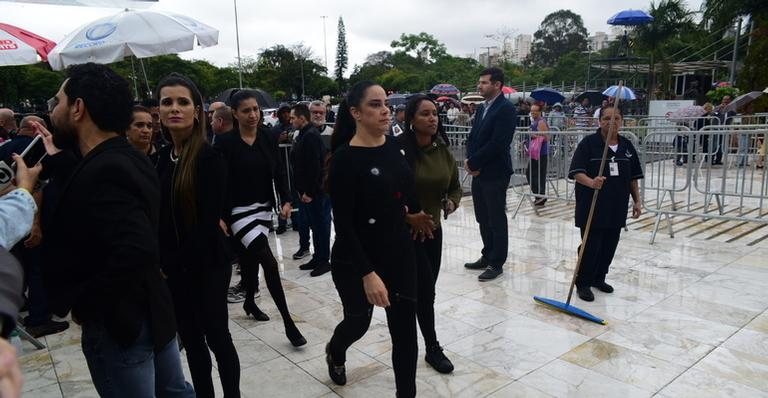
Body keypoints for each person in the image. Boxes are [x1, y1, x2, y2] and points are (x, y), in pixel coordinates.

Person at [37, 63, 194, 397]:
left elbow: (134, 250)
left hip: (123, 325)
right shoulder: (127, 158)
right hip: (153, 313)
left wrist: (86, 304)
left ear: (78, 108)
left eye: (59, 101)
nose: (54, 110)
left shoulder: (107, 168)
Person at [325, 81, 433, 397]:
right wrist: (367, 274)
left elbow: (402, 196)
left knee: (405, 335)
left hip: (398, 254)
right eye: (374, 104)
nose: (385, 110)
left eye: (385, 103)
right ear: (356, 113)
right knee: (358, 321)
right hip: (355, 259)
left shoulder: (396, 148)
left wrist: (412, 215)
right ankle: (336, 348)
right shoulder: (345, 159)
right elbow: (343, 223)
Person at [154, 73, 241, 398]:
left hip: (206, 264)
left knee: (217, 337)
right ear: (159, 111)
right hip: (174, 269)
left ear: (197, 110)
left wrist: (171, 264)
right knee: (191, 342)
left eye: (183, 102)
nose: (174, 108)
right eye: (167, 102)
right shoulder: (162, 159)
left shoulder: (209, 158)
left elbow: (206, 225)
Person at [214, 90, 307, 347]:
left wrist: (286, 200)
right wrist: (219, 216)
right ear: (235, 113)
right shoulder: (225, 143)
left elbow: (278, 171)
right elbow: (219, 183)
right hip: (238, 212)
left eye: (255, 109)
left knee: (249, 256)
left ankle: (249, 302)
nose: (253, 114)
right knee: (267, 261)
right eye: (246, 110)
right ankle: (289, 323)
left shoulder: (268, 136)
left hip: (263, 208)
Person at [397, 95, 461, 374]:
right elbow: (384, 195)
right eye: (425, 114)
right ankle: (430, 347)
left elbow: (456, 186)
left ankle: (423, 345)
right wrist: (407, 216)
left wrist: (451, 202)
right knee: (421, 292)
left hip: (433, 232)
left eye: (434, 113)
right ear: (411, 119)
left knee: (426, 293)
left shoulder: (442, 150)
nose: (432, 118)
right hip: (404, 235)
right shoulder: (397, 151)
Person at [568, 106, 643, 302]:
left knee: (610, 245)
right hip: (592, 205)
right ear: (599, 121)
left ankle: (598, 278)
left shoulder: (626, 146)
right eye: (607, 118)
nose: (612, 122)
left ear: (622, 121)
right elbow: (577, 172)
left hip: (617, 206)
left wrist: (637, 201)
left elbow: (633, 177)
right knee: (591, 245)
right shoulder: (588, 144)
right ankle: (583, 282)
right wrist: (592, 182)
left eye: (616, 118)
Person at [463, 67, 517, 281]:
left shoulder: (505, 109)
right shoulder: (482, 108)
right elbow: (473, 137)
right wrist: (469, 160)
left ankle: (497, 262)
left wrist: (475, 162)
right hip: (478, 172)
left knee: (495, 218)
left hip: (495, 172)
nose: (480, 86)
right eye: (480, 82)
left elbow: (499, 143)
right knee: (482, 217)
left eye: (484, 82)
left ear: (497, 85)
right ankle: (487, 254)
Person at [290, 103, 332, 277]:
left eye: (293, 117)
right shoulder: (304, 134)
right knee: (315, 225)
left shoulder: (311, 136)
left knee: (321, 226)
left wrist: (310, 192)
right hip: (307, 192)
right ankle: (317, 257)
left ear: (302, 118)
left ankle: (323, 261)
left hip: (315, 193)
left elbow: (316, 167)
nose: (291, 121)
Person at [527, 104, 550, 206]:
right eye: (531, 111)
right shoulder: (535, 121)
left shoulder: (541, 121)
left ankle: (540, 196)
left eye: (535, 111)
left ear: (540, 111)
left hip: (541, 153)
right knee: (530, 173)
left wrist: (533, 135)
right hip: (535, 152)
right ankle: (539, 196)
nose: (533, 113)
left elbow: (546, 137)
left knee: (538, 174)